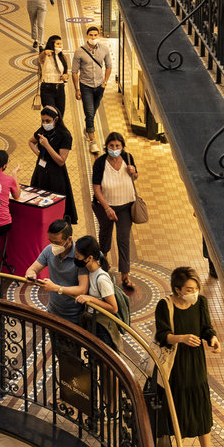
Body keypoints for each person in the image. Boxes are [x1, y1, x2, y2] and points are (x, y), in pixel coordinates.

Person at [154, 267, 220, 447]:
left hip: (196, 363)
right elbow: (162, 335)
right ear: (177, 289)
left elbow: (206, 327)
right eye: (190, 289)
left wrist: (212, 339)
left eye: (196, 288)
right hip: (175, 365)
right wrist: (181, 338)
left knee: (201, 406)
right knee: (177, 406)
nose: (194, 292)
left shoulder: (200, 302)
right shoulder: (165, 306)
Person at [91, 132, 138, 293]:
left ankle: (125, 275)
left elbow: (135, 176)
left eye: (117, 146)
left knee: (123, 239)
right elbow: (96, 189)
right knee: (105, 234)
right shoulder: (100, 163)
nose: (115, 149)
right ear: (106, 146)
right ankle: (103, 263)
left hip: (125, 206)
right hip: (105, 206)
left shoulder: (128, 158)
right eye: (111, 146)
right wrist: (107, 208)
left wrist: (134, 172)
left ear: (122, 146)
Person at [25, 219, 88, 323]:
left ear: (69, 239)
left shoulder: (80, 256)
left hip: (74, 317)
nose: (53, 245)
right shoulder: (49, 250)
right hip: (53, 311)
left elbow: (82, 289)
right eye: (51, 241)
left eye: (57, 243)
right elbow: (32, 269)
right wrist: (30, 274)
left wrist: (56, 288)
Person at [27, 106, 76, 223]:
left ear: (56, 119)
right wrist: (39, 154)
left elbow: (61, 161)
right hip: (40, 172)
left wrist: (47, 146)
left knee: (54, 209)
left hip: (56, 176)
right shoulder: (42, 131)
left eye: (48, 121)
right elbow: (30, 141)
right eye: (43, 121)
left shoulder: (65, 135)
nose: (45, 123)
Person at [70, 22, 112, 156]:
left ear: (98, 35)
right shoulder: (79, 51)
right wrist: (77, 89)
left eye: (95, 35)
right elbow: (74, 72)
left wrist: (105, 82)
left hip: (100, 86)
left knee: (92, 111)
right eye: (91, 35)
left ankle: (88, 128)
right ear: (86, 36)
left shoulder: (104, 49)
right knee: (89, 112)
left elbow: (109, 66)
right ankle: (92, 140)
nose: (93, 37)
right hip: (85, 85)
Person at [73, 234, 120, 350]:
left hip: (102, 328)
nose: (75, 258)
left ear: (89, 258)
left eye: (78, 256)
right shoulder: (89, 272)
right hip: (94, 323)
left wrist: (91, 299)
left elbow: (113, 308)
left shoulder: (102, 279)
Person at [37, 33, 69, 117]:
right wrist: (44, 52)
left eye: (61, 44)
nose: (60, 46)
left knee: (60, 115)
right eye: (57, 44)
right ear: (52, 44)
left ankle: (58, 130)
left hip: (60, 88)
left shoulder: (62, 57)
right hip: (47, 88)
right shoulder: (46, 56)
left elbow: (65, 71)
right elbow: (40, 58)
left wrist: (66, 76)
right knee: (51, 114)